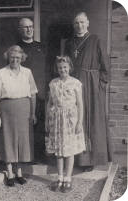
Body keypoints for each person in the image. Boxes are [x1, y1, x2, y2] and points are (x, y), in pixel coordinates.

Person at [64, 12, 112, 171]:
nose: (79, 25)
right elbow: (64, 65)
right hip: (73, 86)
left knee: (91, 120)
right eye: (76, 23)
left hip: (91, 86)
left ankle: (90, 161)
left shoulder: (96, 39)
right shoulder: (69, 42)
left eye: (82, 22)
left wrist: (99, 87)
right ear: (73, 25)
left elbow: (105, 67)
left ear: (88, 23)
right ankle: (76, 159)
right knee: (75, 119)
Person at [0, 45, 38, 187]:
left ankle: (19, 173)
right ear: (8, 57)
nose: (15, 60)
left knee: (22, 142)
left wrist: (33, 113)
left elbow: (33, 94)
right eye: (12, 57)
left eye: (18, 57)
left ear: (22, 58)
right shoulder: (1, 73)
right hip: (7, 111)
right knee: (8, 140)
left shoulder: (27, 72)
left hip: (24, 110)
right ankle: (10, 173)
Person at [45, 56, 85, 193]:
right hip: (56, 120)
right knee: (59, 151)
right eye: (60, 68)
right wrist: (47, 120)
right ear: (57, 69)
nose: (63, 70)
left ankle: (68, 178)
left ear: (69, 68)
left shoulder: (75, 83)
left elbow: (80, 104)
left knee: (69, 150)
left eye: (65, 67)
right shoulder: (53, 83)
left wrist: (79, 122)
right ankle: (60, 178)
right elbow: (49, 103)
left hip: (70, 120)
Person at [17, 17, 46, 161]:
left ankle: (40, 156)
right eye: (25, 27)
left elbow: (46, 70)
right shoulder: (17, 49)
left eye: (31, 26)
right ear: (20, 29)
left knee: (40, 126)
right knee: (28, 126)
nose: (29, 29)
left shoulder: (40, 47)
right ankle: (28, 157)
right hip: (25, 94)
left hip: (41, 94)